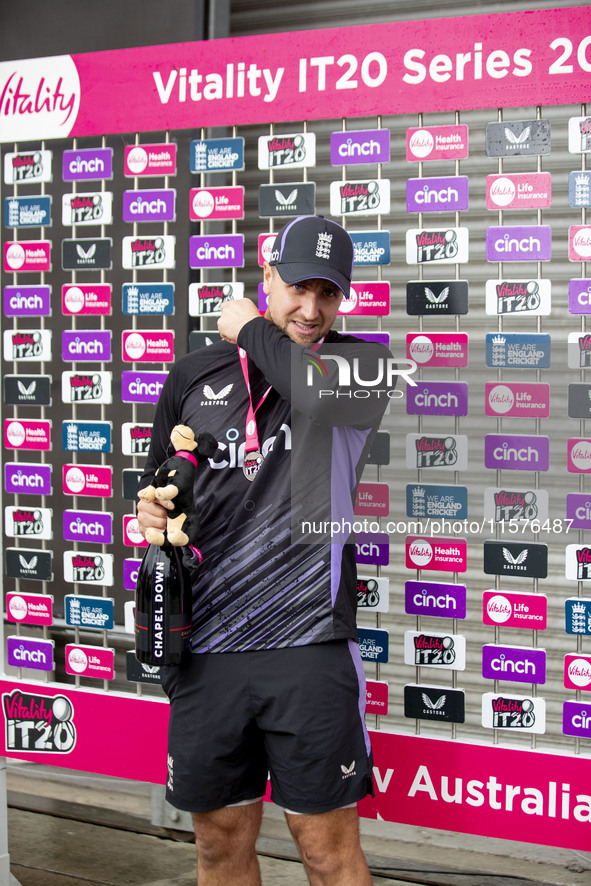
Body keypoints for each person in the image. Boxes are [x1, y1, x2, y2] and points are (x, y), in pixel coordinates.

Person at [137, 215, 390, 886]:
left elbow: (307, 388)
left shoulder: (359, 366)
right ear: (267, 271)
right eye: (297, 288)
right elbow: (155, 482)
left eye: (328, 294)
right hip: (207, 653)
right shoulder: (192, 373)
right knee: (218, 849)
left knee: (325, 853)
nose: (310, 309)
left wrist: (249, 326)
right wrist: (151, 506)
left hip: (307, 649)